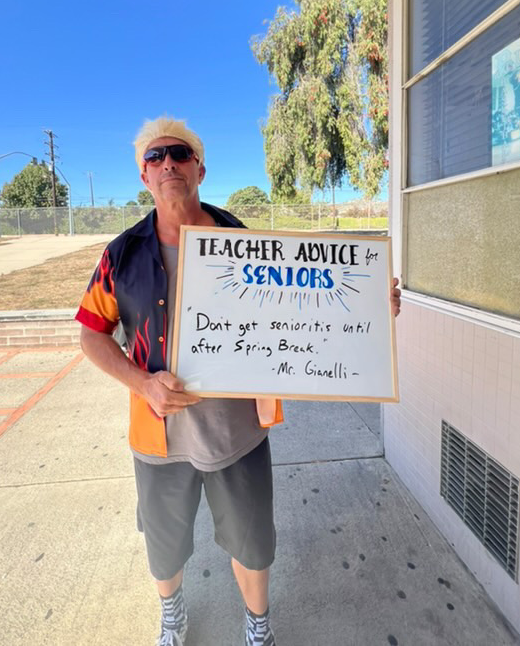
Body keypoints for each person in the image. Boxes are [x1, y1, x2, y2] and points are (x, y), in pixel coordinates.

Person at [76, 116, 401, 646]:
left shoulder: (242, 242)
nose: (167, 165)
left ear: (199, 167)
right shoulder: (121, 255)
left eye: (178, 154)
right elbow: (91, 335)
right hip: (158, 439)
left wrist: (367, 306)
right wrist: (143, 383)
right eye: (154, 158)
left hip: (238, 435)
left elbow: (300, 311)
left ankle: (258, 625)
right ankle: (172, 613)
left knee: (253, 545)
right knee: (165, 547)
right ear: (143, 178)